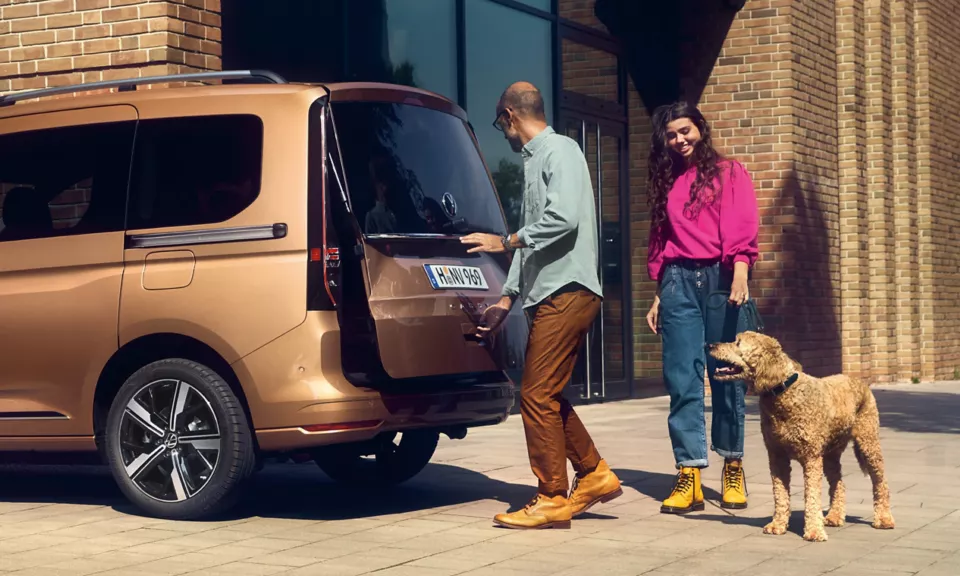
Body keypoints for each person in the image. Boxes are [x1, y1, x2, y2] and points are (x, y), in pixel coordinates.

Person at [460, 81, 622, 530]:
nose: (504, 135)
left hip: (567, 289)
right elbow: (535, 242)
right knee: (545, 393)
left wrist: (505, 239)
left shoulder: (560, 151)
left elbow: (563, 219)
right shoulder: (537, 164)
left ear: (510, 116)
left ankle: (552, 496)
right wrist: (507, 298)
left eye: (501, 125)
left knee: (534, 393)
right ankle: (593, 474)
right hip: (549, 290)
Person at [644, 101, 759, 514]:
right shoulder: (667, 181)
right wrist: (660, 292)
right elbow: (662, 240)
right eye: (671, 135)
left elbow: (741, 224)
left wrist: (741, 274)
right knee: (681, 378)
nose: (679, 140)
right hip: (676, 282)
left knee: (726, 374)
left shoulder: (729, 172)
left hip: (721, 279)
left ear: (700, 129)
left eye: (685, 131)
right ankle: (688, 473)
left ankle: (733, 465)